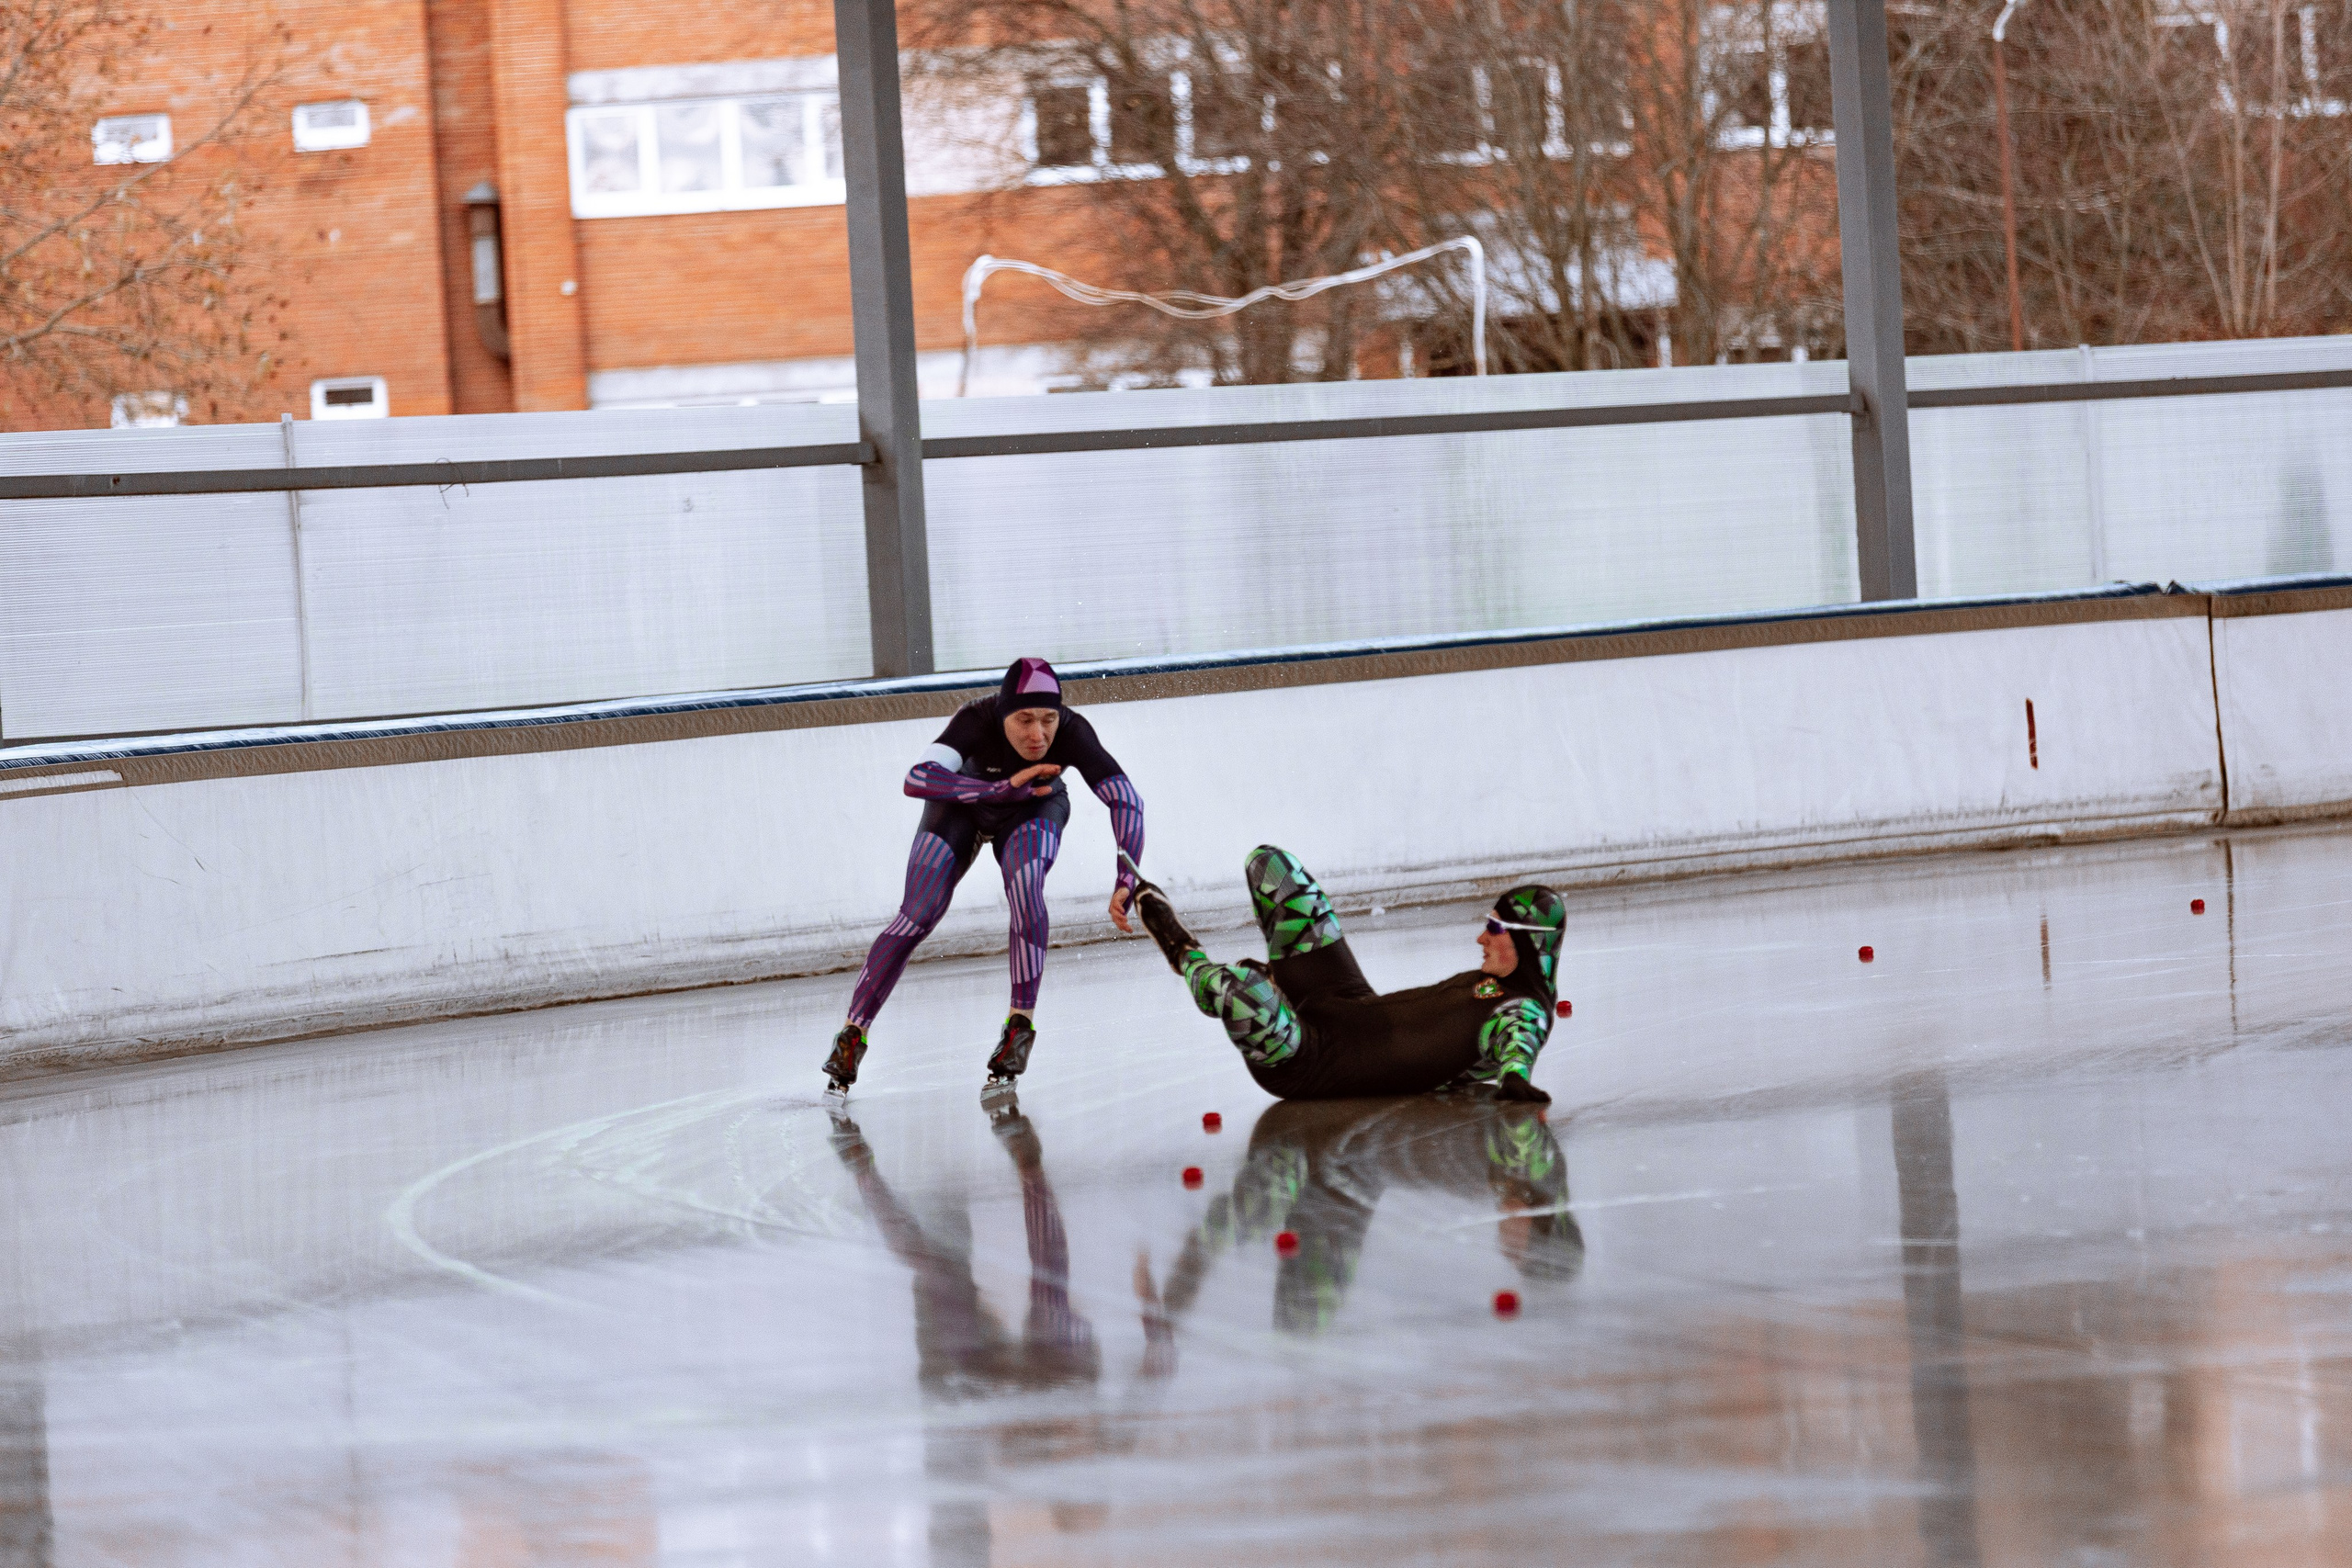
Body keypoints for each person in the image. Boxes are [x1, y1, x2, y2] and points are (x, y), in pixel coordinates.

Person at [825, 657, 1147, 1091]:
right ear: (1003, 714)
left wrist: (1126, 876)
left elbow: (1126, 799)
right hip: (961, 807)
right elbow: (918, 777)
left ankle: (1019, 1029)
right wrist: (996, 789)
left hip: (1034, 807)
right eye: (1024, 720)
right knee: (918, 914)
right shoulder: (976, 718)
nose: (1038, 736)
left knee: (1026, 884)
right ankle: (852, 1034)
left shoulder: (1072, 730)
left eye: (1048, 719)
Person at [1129, 846, 1565, 1102]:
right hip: (1343, 999)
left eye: (1494, 928)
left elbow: (1519, 1044)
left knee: (1245, 993)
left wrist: (1515, 1079)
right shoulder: (1504, 982)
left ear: (1528, 942)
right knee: (1271, 866)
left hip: (1310, 1060)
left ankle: (1182, 952)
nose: (1481, 939)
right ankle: (1281, 991)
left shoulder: (1523, 1010)